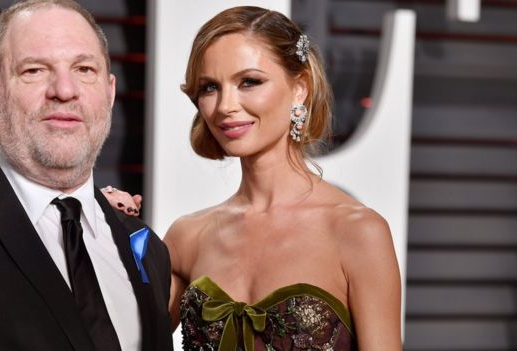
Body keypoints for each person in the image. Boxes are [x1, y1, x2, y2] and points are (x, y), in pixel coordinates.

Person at [104, 5, 401, 351]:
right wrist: (102, 229)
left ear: (300, 87)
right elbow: (122, 339)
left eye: (249, 82)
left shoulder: (357, 232)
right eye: (210, 87)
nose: (226, 105)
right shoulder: (188, 237)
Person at [0, 1, 172, 350]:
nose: (64, 90)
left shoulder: (146, 247)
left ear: (109, 93)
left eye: (84, 69)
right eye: (34, 70)